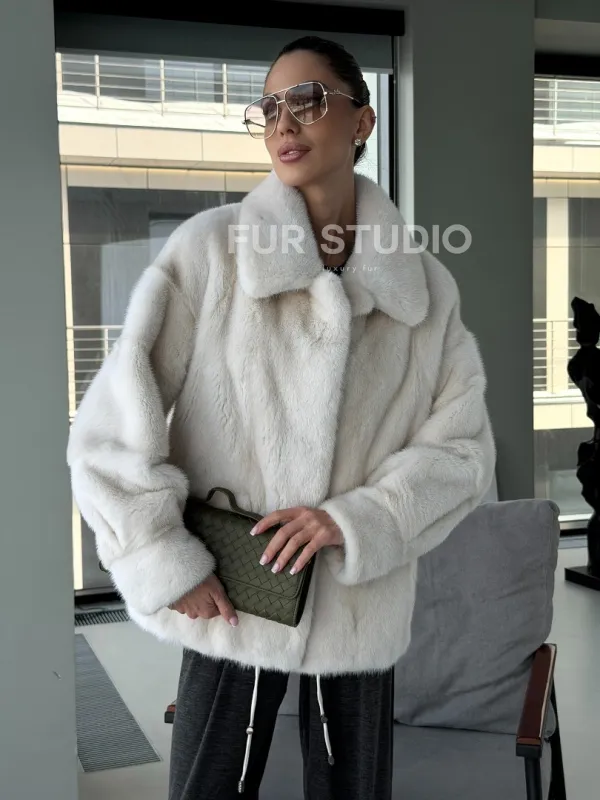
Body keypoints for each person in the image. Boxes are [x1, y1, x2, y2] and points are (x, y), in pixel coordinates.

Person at [67, 35, 496, 800]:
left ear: (363, 121)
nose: (283, 123)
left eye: (307, 101)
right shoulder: (212, 253)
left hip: (357, 604)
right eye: (268, 108)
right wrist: (159, 553)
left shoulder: (425, 289)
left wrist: (359, 519)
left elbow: (464, 449)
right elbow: (110, 426)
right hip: (231, 592)